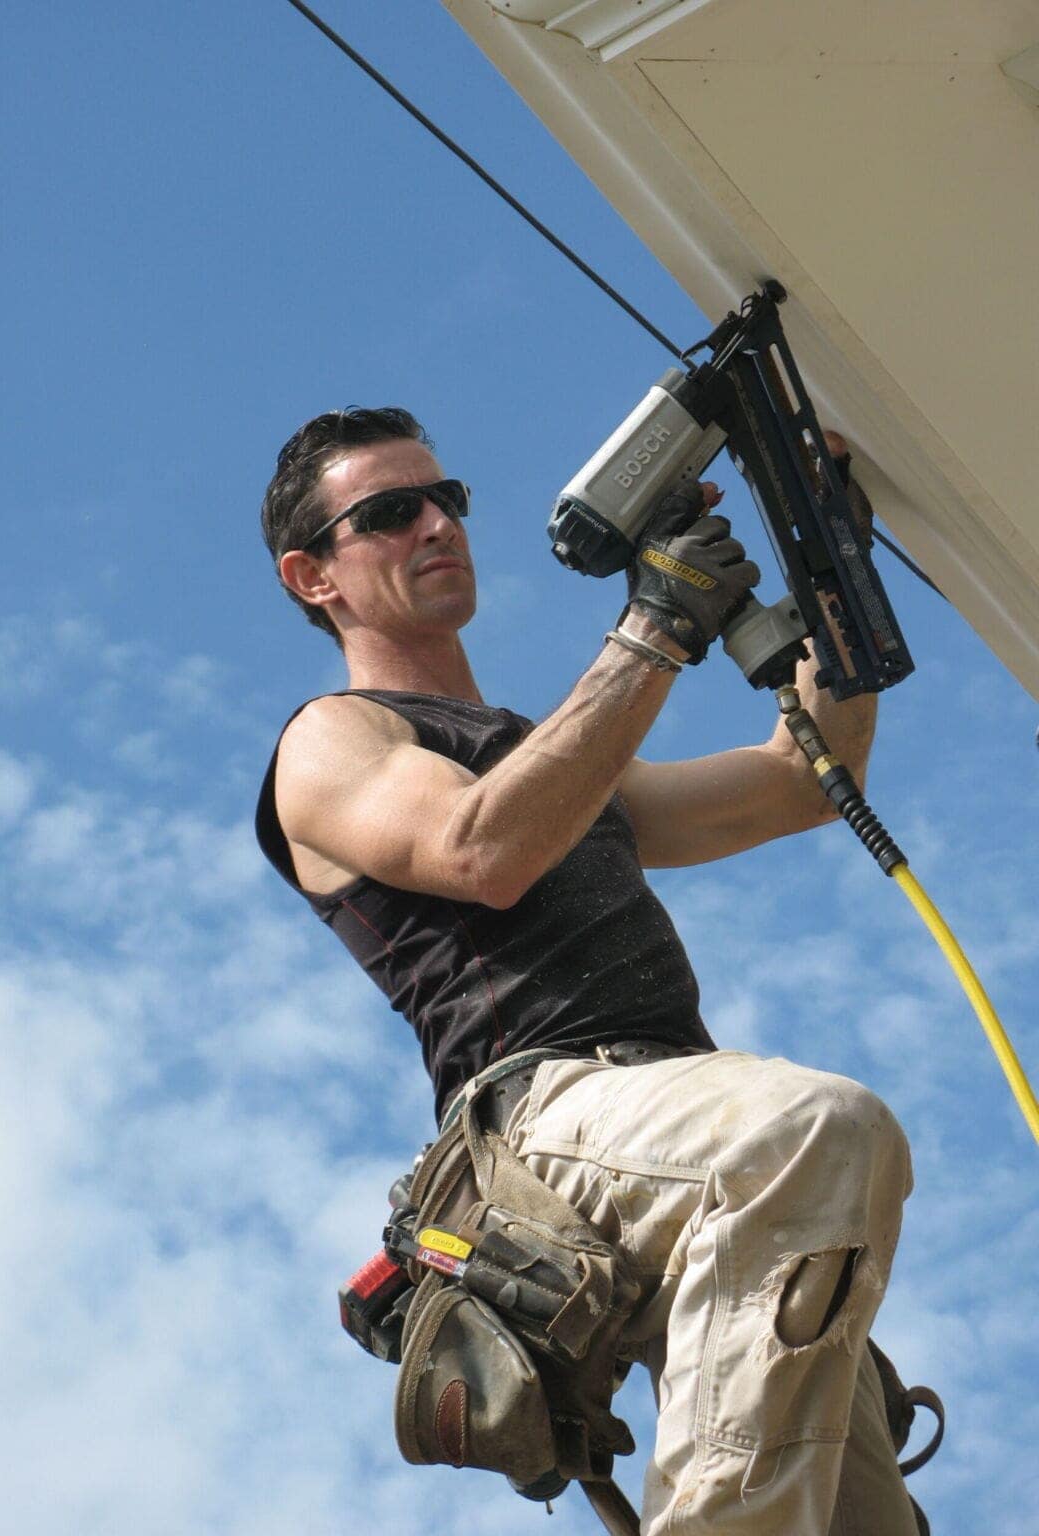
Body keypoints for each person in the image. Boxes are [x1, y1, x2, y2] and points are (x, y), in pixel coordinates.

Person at [255, 406, 923, 1536]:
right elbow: (481, 849)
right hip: (543, 1121)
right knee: (811, 1131)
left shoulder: (552, 758)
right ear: (313, 576)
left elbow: (803, 782)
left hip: (664, 1135)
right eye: (388, 513)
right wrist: (656, 624)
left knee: (862, 1518)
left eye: (445, 499)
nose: (434, 523)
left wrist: (831, 562)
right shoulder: (334, 737)